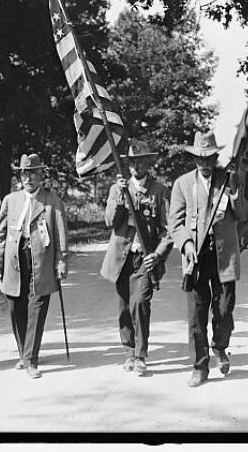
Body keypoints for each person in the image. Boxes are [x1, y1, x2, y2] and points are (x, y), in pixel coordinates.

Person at [169, 130, 248, 387]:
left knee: (224, 310)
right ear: (194, 159)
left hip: (224, 257)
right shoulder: (182, 184)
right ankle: (199, 366)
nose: (204, 163)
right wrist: (187, 243)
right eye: (199, 159)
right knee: (197, 314)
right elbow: (175, 222)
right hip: (196, 258)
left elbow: (243, 214)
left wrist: (236, 193)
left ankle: (220, 346)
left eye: (209, 158)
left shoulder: (228, 179)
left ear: (216, 157)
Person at [0, 153, 69, 379]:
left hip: (41, 262)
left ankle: (31, 359)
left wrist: (61, 262)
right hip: (15, 262)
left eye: (33, 173)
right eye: (25, 173)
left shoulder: (52, 201)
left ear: (41, 175)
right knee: (16, 307)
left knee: (37, 308)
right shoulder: (10, 200)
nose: (29, 178)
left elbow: (61, 236)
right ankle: (25, 353)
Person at [100, 140, 174, 376]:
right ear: (127, 163)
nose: (136, 166)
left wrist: (159, 254)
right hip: (122, 257)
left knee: (140, 303)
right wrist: (120, 197)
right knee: (124, 306)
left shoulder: (160, 191)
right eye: (132, 161)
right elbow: (110, 222)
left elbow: (168, 229)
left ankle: (141, 355)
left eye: (141, 161)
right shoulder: (117, 189)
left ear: (149, 162)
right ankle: (129, 352)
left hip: (146, 257)